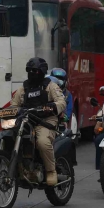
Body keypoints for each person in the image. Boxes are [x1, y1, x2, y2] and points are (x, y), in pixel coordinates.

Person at [10, 57, 66, 186]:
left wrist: (51, 107)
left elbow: (61, 102)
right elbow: (14, 105)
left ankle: (51, 171)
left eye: (34, 70)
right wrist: (5, 111)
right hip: (26, 121)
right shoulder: (23, 88)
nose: (31, 73)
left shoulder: (50, 86)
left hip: (45, 121)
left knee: (42, 142)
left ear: (41, 71)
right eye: (29, 70)